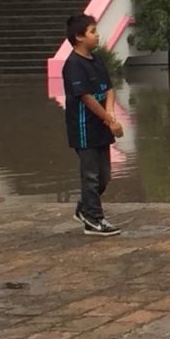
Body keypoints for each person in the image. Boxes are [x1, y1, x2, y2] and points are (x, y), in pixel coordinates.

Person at [62, 15, 123, 237]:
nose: (97, 35)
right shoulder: (73, 66)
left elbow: (108, 89)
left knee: (104, 176)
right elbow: (86, 98)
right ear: (79, 37)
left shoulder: (96, 60)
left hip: (101, 128)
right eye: (92, 31)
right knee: (91, 176)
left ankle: (85, 209)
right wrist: (109, 119)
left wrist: (111, 116)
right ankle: (94, 220)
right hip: (84, 129)